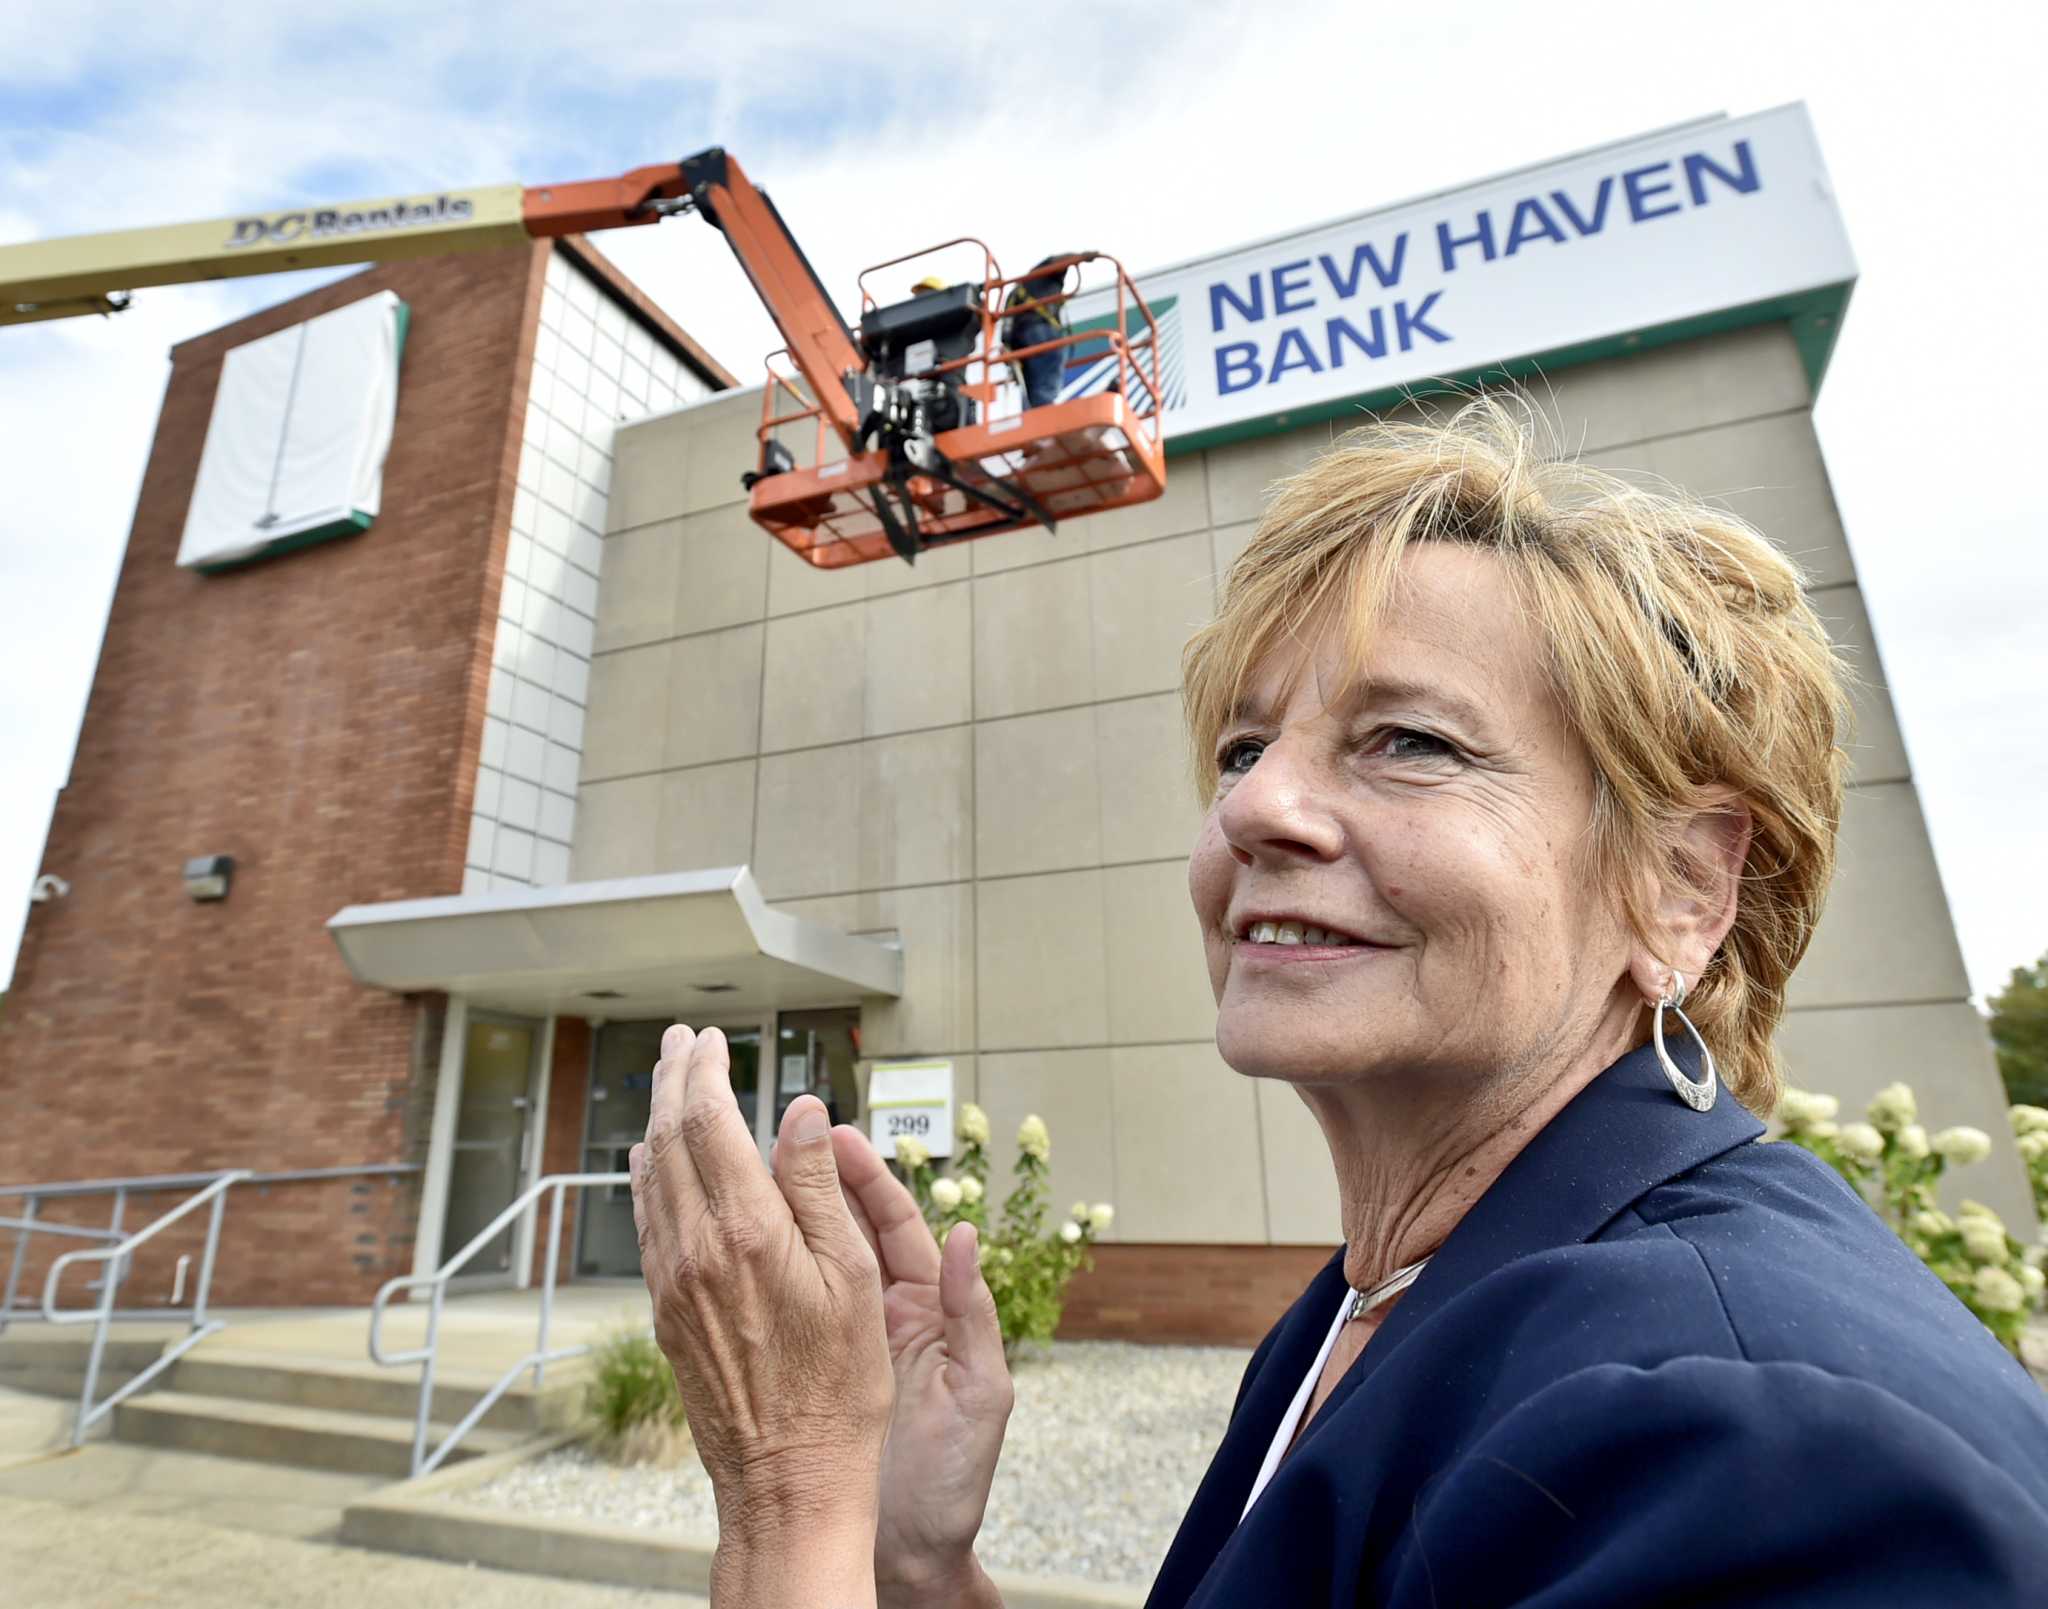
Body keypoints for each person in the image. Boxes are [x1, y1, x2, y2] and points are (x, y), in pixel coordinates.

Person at [628, 395, 2048, 1607]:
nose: (1259, 806)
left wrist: (787, 1487)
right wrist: (908, 1560)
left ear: (1679, 888)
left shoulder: (1759, 1442)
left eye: (1409, 741)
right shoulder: (1381, 1297)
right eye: (1244, 746)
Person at [1002, 254, 1069, 409]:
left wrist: (1007, 348)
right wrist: (1084, 256)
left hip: (1019, 341)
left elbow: (1006, 325)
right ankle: (1044, 411)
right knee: (1048, 370)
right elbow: (1058, 261)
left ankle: (1032, 414)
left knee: (1030, 382)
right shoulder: (1045, 273)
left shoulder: (1018, 290)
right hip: (1040, 331)